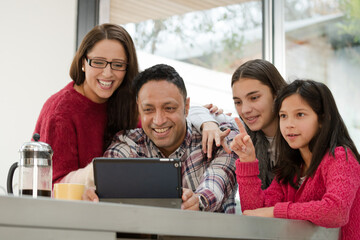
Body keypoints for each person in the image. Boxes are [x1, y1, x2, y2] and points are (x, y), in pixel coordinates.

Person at [84, 64, 239, 213]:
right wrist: (99, 197)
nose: (159, 120)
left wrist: (198, 201)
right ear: (139, 109)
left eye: (169, 108)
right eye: (148, 109)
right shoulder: (127, 144)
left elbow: (216, 182)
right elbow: (111, 192)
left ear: (186, 107)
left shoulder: (220, 139)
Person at [233, 80, 360, 239]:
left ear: (322, 119)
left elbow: (336, 211)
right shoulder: (289, 168)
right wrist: (247, 161)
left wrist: (276, 212)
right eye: (283, 116)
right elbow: (255, 213)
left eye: (300, 114)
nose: (289, 124)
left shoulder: (341, 158)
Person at [34, 23, 140, 185]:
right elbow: (55, 187)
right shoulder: (61, 112)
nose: (107, 73)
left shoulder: (129, 104)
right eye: (98, 62)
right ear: (83, 62)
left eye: (118, 65)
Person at [189, 59, 287, 189]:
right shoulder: (242, 130)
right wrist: (209, 123)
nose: (245, 110)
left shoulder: (299, 134)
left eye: (254, 98)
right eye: (238, 102)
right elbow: (193, 111)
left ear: (276, 94)